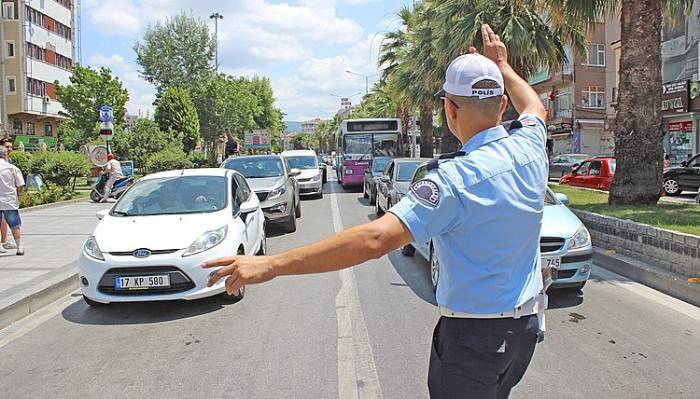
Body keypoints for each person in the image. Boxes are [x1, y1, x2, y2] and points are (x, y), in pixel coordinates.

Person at [203, 24, 547, 398]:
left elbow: (374, 238)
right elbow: (534, 106)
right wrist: (503, 66)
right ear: (500, 105)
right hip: (524, 332)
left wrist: (270, 264)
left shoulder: (454, 179)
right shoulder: (529, 148)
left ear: (449, 109)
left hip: (474, 341)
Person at [0, 146, 25, 255]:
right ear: (6, 155)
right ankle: (19, 248)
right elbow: (20, 184)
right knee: (15, 225)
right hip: (9, 200)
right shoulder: (12, 168)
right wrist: (18, 193)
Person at [0, 137, 15, 251]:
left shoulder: (8, 160)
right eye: (7, 147)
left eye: (11, 147)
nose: (10, 149)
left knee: (4, 218)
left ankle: (4, 241)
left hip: (7, 195)